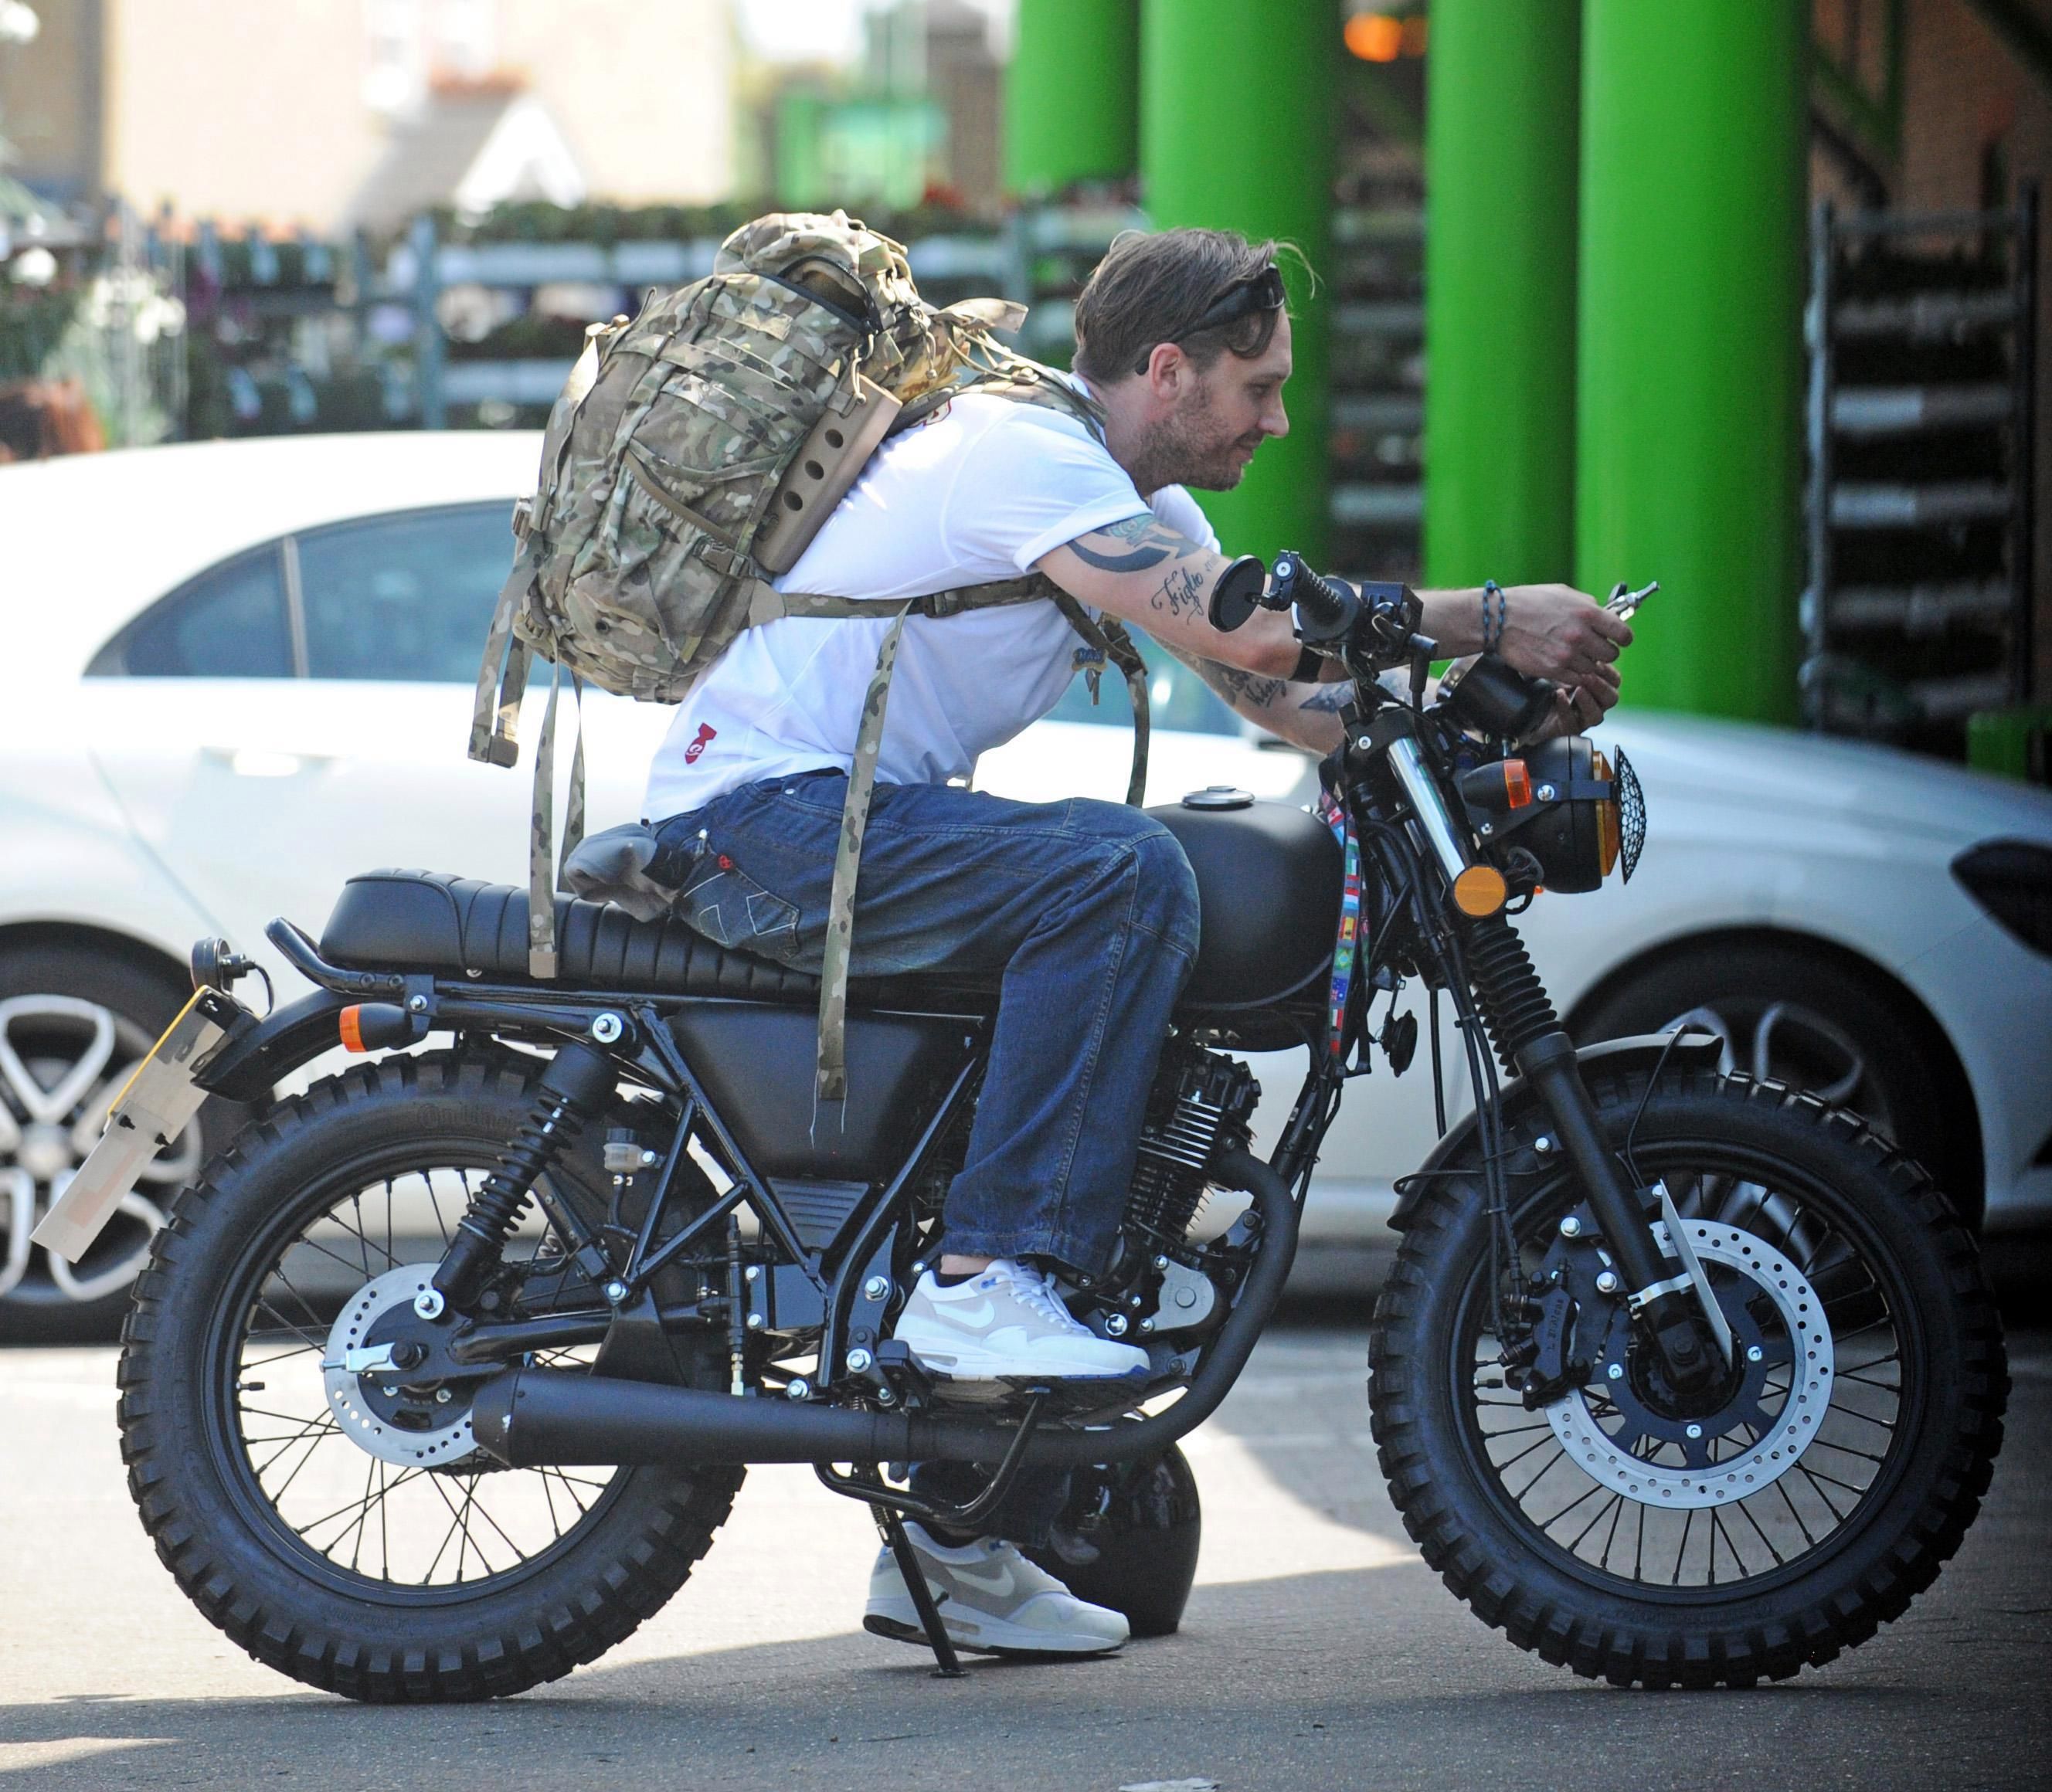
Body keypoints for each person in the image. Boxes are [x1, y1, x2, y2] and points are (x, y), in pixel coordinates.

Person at [641, 227, 1632, 1658]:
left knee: (1112, 960)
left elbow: (1278, 697)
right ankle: (987, 1289)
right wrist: (1492, 612)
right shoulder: (1022, 452)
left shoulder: (1125, 495)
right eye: (1259, 385)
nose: (1278, 419)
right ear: (1167, 370)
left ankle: (956, 1535)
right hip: (761, 822)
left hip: (835, 826)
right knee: (1119, 875)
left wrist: (1493, 720)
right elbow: (1256, 630)